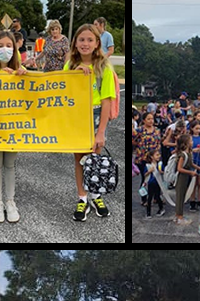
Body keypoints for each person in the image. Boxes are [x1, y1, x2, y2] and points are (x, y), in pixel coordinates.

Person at [64, 24, 116, 221]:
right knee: (79, 159)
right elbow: (60, 91)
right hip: (76, 115)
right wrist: (74, 75)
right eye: (81, 40)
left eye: (89, 40)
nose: (85, 44)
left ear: (96, 44)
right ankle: (82, 197)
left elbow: (106, 102)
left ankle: (95, 194)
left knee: (94, 157)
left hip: (94, 115)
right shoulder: (69, 65)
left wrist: (101, 131)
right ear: (75, 43)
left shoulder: (104, 67)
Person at [0, 30, 28, 223]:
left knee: (10, 165)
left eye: (9, 46)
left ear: (15, 47)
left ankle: (10, 201)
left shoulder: (21, 70)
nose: (5, 49)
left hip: (14, 127)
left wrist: (24, 76)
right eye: (1, 45)